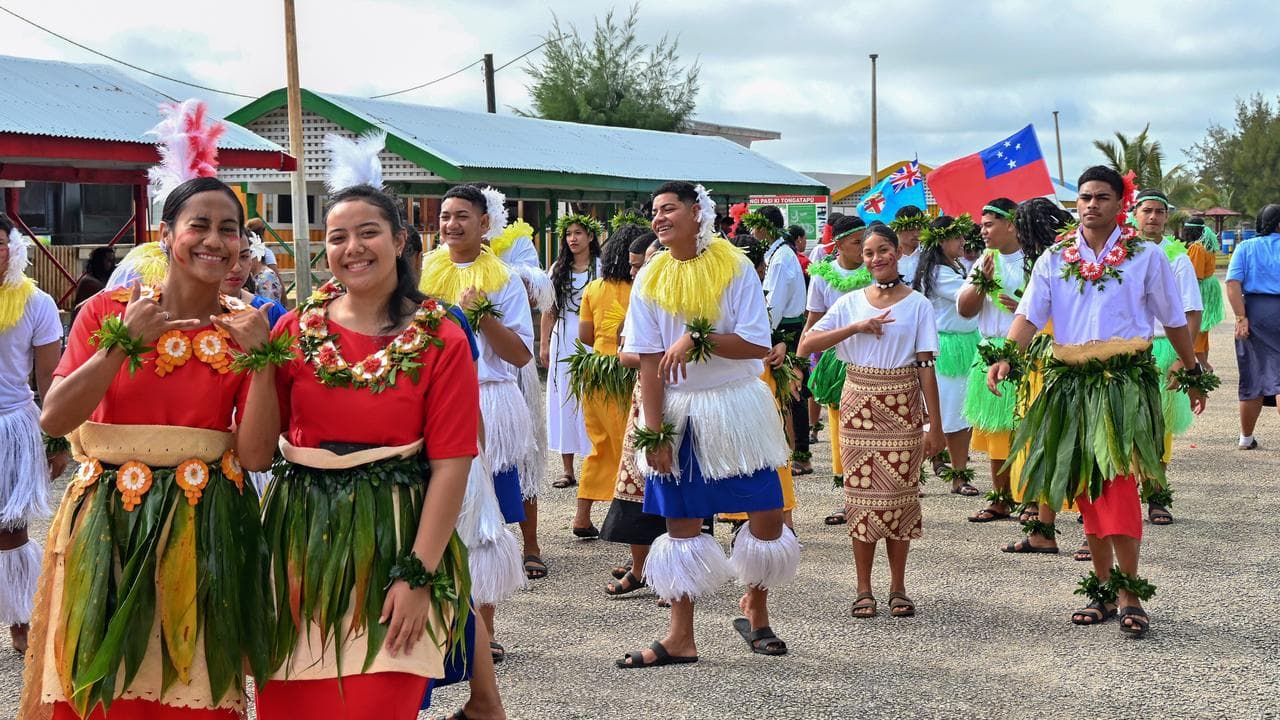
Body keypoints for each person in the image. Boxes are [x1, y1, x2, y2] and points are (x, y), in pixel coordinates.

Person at [22, 102, 279, 720]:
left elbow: (255, 456)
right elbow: (54, 418)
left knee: (194, 685)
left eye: (229, 229)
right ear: (166, 235)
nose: (215, 240)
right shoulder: (107, 313)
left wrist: (263, 361)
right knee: (100, 684)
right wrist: (121, 345)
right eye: (199, 225)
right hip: (109, 519)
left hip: (208, 522)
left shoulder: (248, 327)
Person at [986, 166, 1214, 637]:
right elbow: (1029, 314)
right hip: (1070, 386)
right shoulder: (1054, 256)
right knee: (1088, 487)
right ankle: (1104, 589)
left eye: (1101, 197)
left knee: (1119, 486)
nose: (1091, 205)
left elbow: (1173, 319)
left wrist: (1192, 370)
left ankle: (1130, 592)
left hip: (1123, 385)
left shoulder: (1146, 256)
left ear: (1119, 203)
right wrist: (1006, 355)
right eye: (1085, 197)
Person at [616, 181, 796, 667]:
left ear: (697, 212)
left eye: (669, 208)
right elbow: (648, 358)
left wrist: (698, 340)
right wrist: (655, 432)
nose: (659, 218)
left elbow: (756, 343)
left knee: (766, 518)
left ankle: (755, 606)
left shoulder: (734, 265)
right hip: (680, 411)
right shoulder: (650, 275)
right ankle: (680, 636)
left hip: (736, 407)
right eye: (655, 211)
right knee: (682, 524)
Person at [417, 184, 540, 656]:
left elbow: (521, 355)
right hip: (435, 403)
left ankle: (482, 632)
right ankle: (440, 626)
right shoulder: (426, 272)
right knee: (436, 516)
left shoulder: (504, 278)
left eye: (462, 216)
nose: (451, 225)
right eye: (445, 216)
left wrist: (481, 316)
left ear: (484, 223)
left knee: (486, 522)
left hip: (490, 401)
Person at [800, 223, 945, 619]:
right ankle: (863, 587)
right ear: (861, 258)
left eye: (883, 250)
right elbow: (806, 343)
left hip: (902, 406)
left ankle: (898, 587)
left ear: (897, 252)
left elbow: (926, 365)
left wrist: (935, 425)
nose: (876, 258)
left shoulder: (918, 304)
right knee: (861, 500)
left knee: (901, 498)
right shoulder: (850, 303)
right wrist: (855, 327)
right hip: (858, 407)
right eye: (868, 252)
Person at [992, 198, 1076, 554]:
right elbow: (1029, 314)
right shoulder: (1054, 258)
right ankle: (1044, 531)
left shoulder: (1065, 258)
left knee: (1070, 442)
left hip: (1067, 359)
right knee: (1048, 443)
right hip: (1045, 358)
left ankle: (1091, 533)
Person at [0, 214, 64, 655]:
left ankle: (23, 617)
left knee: (10, 529)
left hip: (13, 426)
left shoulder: (37, 303)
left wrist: (56, 441)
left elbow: (49, 380)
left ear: (14, 247)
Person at [1133, 189, 1202, 526]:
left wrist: (1180, 358)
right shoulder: (1122, 253)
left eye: (1160, 212)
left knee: (1158, 427)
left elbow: (1192, 312)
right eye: (1147, 210)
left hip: (1163, 347)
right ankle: (1113, 499)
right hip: (1128, 348)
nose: (1153, 217)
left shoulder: (1178, 257)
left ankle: (1157, 496)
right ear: (1134, 214)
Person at [799, 215, 871, 523]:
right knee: (842, 430)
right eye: (857, 242)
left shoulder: (874, 270)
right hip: (836, 361)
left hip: (871, 356)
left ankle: (877, 492)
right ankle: (850, 497)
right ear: (839, 244)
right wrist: (800, 360)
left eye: (865, 241)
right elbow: (813, 321)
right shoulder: (822, 277)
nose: (863, 248)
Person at [959, 198, 1025, 523]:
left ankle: (1031, 500)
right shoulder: (985, 261)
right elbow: (965, 310)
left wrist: (1023, 307)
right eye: (982, 225)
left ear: (1010, 224)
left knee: (1026, 428)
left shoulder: (1034, 259)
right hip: (989, 351)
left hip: (1025, 348)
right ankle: (1000, 499)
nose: (982, 231)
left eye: (989, 225)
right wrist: (982, 284)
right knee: (997, 429)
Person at [571, 224, 640, 538]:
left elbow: (585, 335)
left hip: (598, 373)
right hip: (627, 373)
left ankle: (582, 516)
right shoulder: (641, 287)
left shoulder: (594, 288)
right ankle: (630, 521)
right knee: (631, 445)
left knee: (600, 445)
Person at [913, 215, 981, 496]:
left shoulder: (954, 267)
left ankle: (959, 474)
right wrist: (985, 270)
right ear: (941, 242)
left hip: (967, 344)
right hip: (947, 349)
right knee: (947, 413)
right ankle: (916, 476)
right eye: (956, 237)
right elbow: (969, 294)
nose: (963, 241)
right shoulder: (938, 274)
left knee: (963, 413)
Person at [749, 206, 812, 474]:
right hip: (782, 326)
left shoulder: (780, 258)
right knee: (790, 391)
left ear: (765, 228)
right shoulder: (779, 254)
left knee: (792, 390)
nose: (753, 232)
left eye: (755, 227)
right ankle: (795, 451)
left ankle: (800, 454)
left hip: (785, 329)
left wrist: (765, 335)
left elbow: (773, 303)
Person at [542, 214, 601, 491]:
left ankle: (594, 464)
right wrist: (544, 344)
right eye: (568, 234)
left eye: (578, 233)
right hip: (564, 339)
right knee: (564, 398)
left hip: (594, 339)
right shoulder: (558, 269)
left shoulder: (601, 268)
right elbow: (549, 309)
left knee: (592, 398)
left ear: (590, 236)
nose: (572, 239)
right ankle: (567, 469)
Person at [1227, 202, 1280, 450]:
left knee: (1253, 377)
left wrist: (1241, 317)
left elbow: (1233, 283)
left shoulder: (1245, 247)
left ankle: (1246, 438)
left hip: (1256, 314)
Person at [1179, 216, 1223, 370]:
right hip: (1209, 288)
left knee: (1195, 329)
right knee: (1203, 330)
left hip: (1200, 289)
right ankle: (1204, 365)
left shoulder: (1197, 248)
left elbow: (1195, 275)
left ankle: (1205, 365)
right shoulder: (1207, 246)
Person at [70, 246, 117, 325]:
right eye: (109, 260)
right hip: (86, 326)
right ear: (99, 262)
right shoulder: (89, 282)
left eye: (113, 261)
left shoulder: (105, 279)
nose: (113, 264)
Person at [889, 205, 929, 285]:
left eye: (919, 229)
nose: (916, 234)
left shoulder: (930, 255)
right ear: (897, 229)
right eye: (911, 229)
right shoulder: (888, 257)